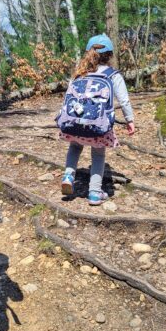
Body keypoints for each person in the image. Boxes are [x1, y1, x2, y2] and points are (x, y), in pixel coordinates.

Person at [60, 34, 134, 205]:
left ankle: (68, 176)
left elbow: (68, 96)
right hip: (98, 125)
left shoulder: (80, 73)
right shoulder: (113, 74)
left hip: (74, 122)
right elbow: (124, 100)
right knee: (99, 154)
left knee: (74, 146)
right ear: (109, 55)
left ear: (88, 53)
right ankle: (94, 193)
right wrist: (130, 120)